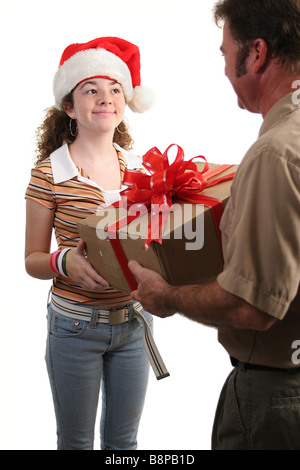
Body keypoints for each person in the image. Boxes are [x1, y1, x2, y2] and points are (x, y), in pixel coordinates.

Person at [128, 0, 300, 450]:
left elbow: (252, 308)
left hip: (276, 401)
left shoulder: (275, 154)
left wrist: (165, 296)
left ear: (256, 54)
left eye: (225, 53)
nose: (224, 68)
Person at [25, 37, 156, 450]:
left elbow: (149, 245)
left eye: (115, 88)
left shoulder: (138, 171)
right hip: (74, 327)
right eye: (91, 89)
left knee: (124, 443)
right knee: (77, 443)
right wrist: (64, 262)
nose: (106, 98)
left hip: (134, 323)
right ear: (69, 106)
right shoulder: (48, 173)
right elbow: (31, 260)